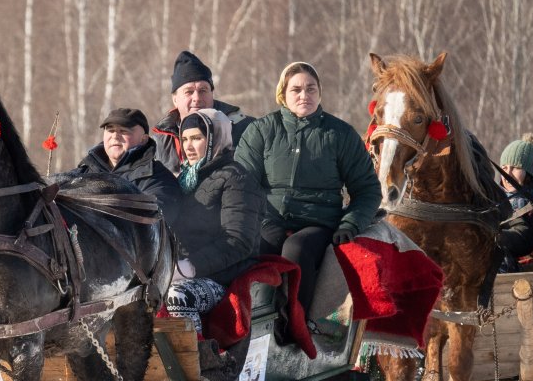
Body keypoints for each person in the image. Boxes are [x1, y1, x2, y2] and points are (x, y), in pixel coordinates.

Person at [234, 61, 381, 317]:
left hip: (318, 222)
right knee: (254, 245)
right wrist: (257, 220)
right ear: (283, 94)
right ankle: (246, 323)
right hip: (269, 218)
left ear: (320, 93)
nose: (305, 96)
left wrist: (350, 224)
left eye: (311, 89)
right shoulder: (261, 130)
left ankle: (294, 324)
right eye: (297, 90)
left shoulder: (340, 135)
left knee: (296, 248)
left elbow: (367, 189)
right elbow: (242, 184)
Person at [164, 108, 263, 333]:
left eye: (197, 138)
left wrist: (190, 267)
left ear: (215, 138)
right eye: (185, 139)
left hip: (224, 276)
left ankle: (199, 361)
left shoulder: (237, 179)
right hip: (181, 271)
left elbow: (239, 240)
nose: (189, 146)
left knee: (177, 296)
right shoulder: (184, 180)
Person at [73, 107, 183, 227]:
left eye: (123, 131)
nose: (115, 136)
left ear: (143, 139)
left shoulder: (158, 179)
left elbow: (155, 219)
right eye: (110, 130)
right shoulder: (83, 172)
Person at [151, 50, 251, 175]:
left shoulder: (246, 129)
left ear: (212, 94)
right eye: (189, 92)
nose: (197, 98)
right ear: (175, 99)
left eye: (203, 90)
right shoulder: (160, 141)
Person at [495, 134, 533, 272]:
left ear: (530, 172)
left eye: (515, 167)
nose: (508, 174)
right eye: (504, 168)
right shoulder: (492, 198)